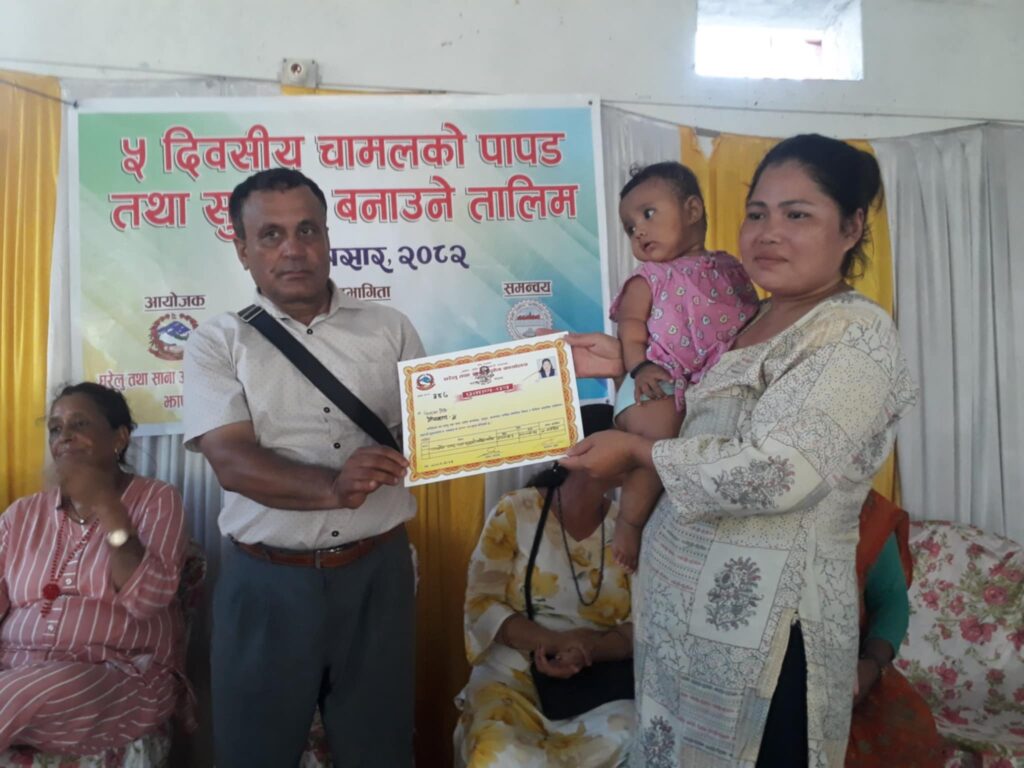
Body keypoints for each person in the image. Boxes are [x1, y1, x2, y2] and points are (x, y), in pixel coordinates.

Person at [561, 134, 918, 766]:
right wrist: (625, 364)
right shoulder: (747, 320)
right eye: (757, 213)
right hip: (680, 643)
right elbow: (698, 416)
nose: (768, 232)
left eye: (797, 214)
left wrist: (640, 454)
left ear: (852, 226)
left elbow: (781, 472)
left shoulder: (852, 332)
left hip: (769, 651)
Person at [183, 168, 424, 767]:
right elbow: (232, 462)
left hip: (378, 575)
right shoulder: (217, 343)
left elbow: (436, 429)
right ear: (242, 249)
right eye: (271, 235)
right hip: (266, 584)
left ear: (327, 237)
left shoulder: (389, 328)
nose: (293, 248)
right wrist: (334, 486)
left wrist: (542, 386)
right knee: (254, 754)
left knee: (381, 751)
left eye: (307, 230)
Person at [0, 383, 188, 753]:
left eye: (79, 424)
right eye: (56, 428)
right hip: (16, 670)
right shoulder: (22, 513)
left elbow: (147, 601)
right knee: (24, 690)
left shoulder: (157, 499)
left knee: (50, 685)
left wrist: (106, 504)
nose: (64, 437)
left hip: (114, 676)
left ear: (119, 438)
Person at [454, 405, 635, 767]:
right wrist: (551, 643)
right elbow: (481, 604)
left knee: (637, 738)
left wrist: (588, 649)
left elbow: (639, 626)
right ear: (586, 451)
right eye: (624, 443)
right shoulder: (516, 510)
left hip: (597, 683)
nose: (635, 454)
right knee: (498, 753)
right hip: (513, 677)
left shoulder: (627, 529)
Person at [610, 163, 758, 572]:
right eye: (630, 227)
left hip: (702, 388)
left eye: (648, 214)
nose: (638, 231)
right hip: (654, 381)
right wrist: (640, 368)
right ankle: (628, 522)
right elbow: (630, 329)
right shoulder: (648, 278)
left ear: (692, 210)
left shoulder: (730, 269)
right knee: (660, 446)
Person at [846, 491, 946, 766]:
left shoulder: (867, 514)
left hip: (847, 675)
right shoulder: (739, 502)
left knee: (910, 738)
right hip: (755, 675)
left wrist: (871, 665)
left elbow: (890, 600)